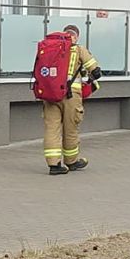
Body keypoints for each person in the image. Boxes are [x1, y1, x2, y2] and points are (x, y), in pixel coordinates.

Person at [42, 24, 101, 175]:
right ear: (76, 36)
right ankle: (71, 162)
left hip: (50, 95)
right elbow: (96, 70)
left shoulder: (51, 49)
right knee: (70, 129)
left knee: (52, 129)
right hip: (71, 96)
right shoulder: (78, 49)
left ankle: (54, 165)